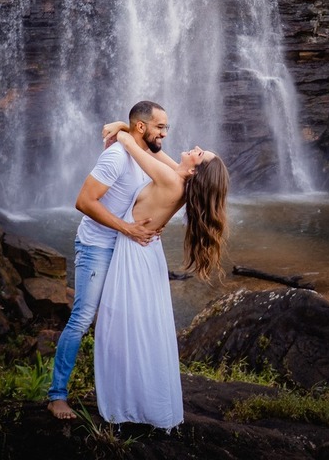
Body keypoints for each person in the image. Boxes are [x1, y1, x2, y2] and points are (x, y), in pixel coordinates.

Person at [92, 123, 230, 429]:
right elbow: (155, 150)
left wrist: (124, 131)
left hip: (134, 251)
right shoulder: (179, 178)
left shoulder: (170, 179)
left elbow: (132, 146)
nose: (194, 147)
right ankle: (145, 397)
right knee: (145, 326)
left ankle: (128, 403)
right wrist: (126, 125)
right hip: (147, 252)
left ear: (195, 170)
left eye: (199, 153)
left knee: (123, 325)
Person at [46, 100, 172, 421]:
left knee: (121, 322)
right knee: (83, 317)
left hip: (125, 251)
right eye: (160, 127)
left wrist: (121, 126)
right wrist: (127, 228)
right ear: (142, 128)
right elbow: (83, 201)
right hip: (97, 247)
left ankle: (118, 394)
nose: (165, 135)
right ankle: (57, 395)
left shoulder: (143, 157)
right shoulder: (116, 156)